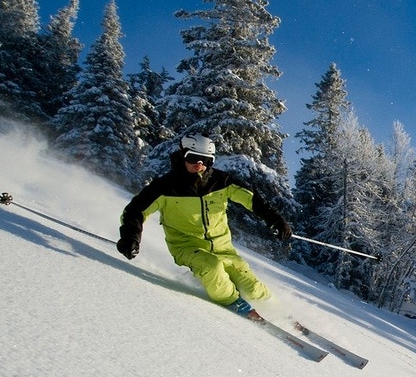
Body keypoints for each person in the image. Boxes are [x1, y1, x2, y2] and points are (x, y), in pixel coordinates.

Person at [117, 134, 293, 314]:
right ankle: (233, 302)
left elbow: (253, 199)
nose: (199, 164)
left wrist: (275, 220)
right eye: (193, 158)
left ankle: (277, 311)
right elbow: (135, 211)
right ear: (183, 155)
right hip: (187, 246)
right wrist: (130, 237)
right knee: (212, 267)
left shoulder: (221, 182)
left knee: (253, 288)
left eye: (206, 160)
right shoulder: (164, 187)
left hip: (224, 248)